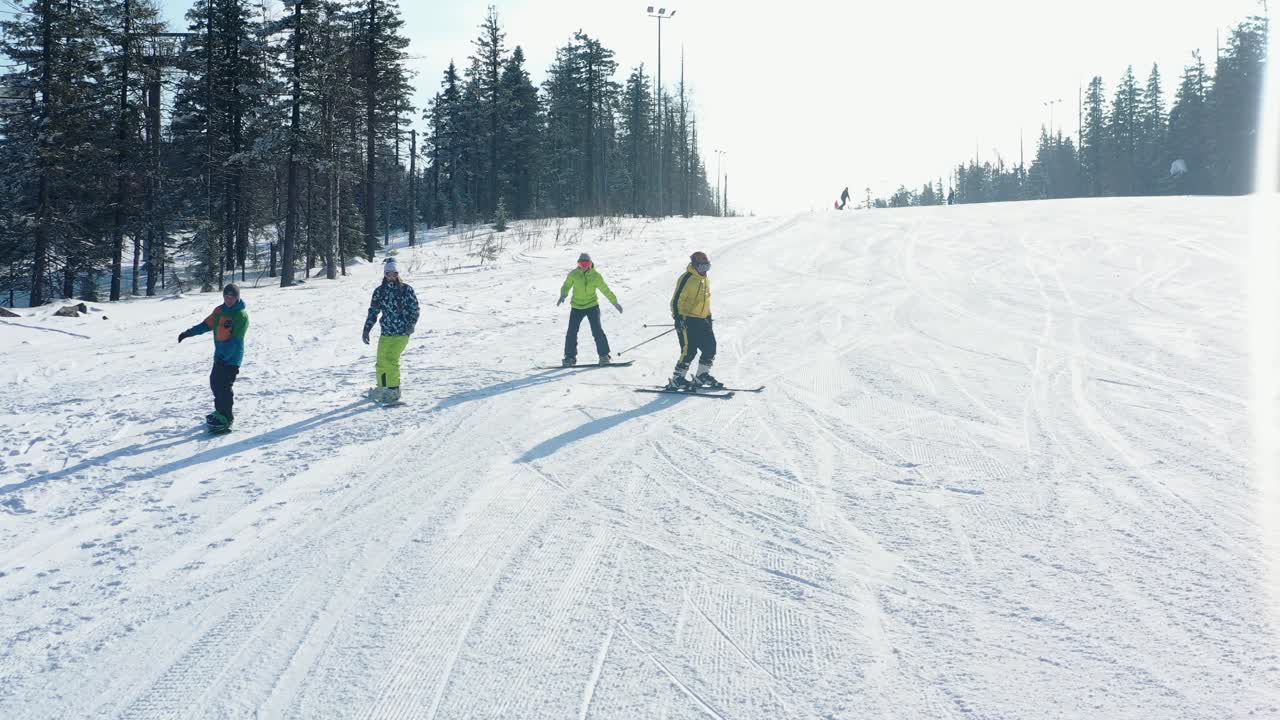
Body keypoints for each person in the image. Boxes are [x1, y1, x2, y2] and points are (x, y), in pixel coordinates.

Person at [178, 283, 249, 432]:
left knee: (224, 386)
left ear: (237, 297)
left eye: (232, 297)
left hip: (232, 358)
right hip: (220, 357)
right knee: (215, 383)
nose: (229, 299)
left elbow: (236, 340)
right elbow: (205, 325)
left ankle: (227, 417)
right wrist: (188, 333)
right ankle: (219, 412)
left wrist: (225, 357)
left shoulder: (241, 315)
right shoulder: (219, 311)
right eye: (226, 296)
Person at [363, 258, 420, 404]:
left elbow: (415, 308)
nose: (391, 276)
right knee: (381, 361)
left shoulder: (406, 290)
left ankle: (394, 390)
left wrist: (411, 324)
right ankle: (382, 387)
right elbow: (373, 311)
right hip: (386, 332)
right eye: (388, 273)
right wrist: (367, 328)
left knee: (391, 360)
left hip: (402, 332)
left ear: (397, 273)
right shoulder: (379, 291)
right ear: (384, 274)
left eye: (394, 273)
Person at [668, 251, 722, 390]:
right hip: (687, 319)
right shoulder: (687, 278)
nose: (704, 269)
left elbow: (705, 300)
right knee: (689, 350)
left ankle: (702, 375)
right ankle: (677, 378)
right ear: (695, 265)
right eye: (702, 266)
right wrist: (678, 317)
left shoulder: (705, 279)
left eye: (706, 266)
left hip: (703, 319)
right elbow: (675, 300)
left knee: (710, 347)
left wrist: (708, 316)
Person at [557, 252, 622, 366]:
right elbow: (566, 285)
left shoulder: (596, 276)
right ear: (578, 263)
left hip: (592, 306)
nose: (584, 265)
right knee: (571, 332)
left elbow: (605, 290)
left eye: (586, 262)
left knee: (597, 331)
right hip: (576, 307)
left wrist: (615, 302)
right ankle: (569, 358)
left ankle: (604, 356)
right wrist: (563, 295)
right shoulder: (573, 274)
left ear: (590, 263)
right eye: (582, 262)